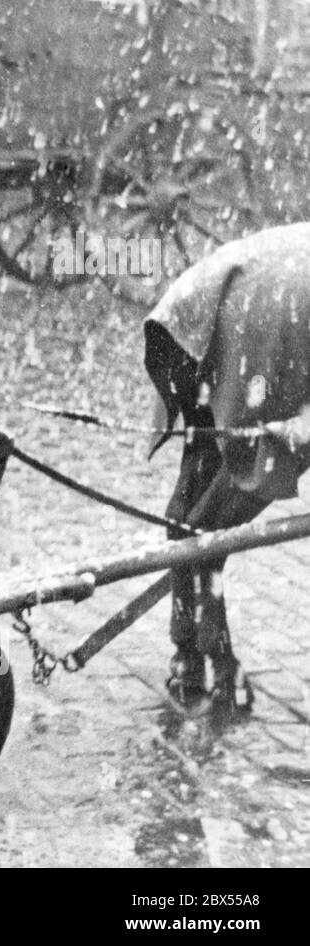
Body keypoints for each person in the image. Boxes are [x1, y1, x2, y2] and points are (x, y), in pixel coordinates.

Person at [145, 223, 310, 717]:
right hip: (275, 312)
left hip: (207, 296)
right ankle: (214, 656)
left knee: (191, 506)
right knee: (214, 525)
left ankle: (187, 652)